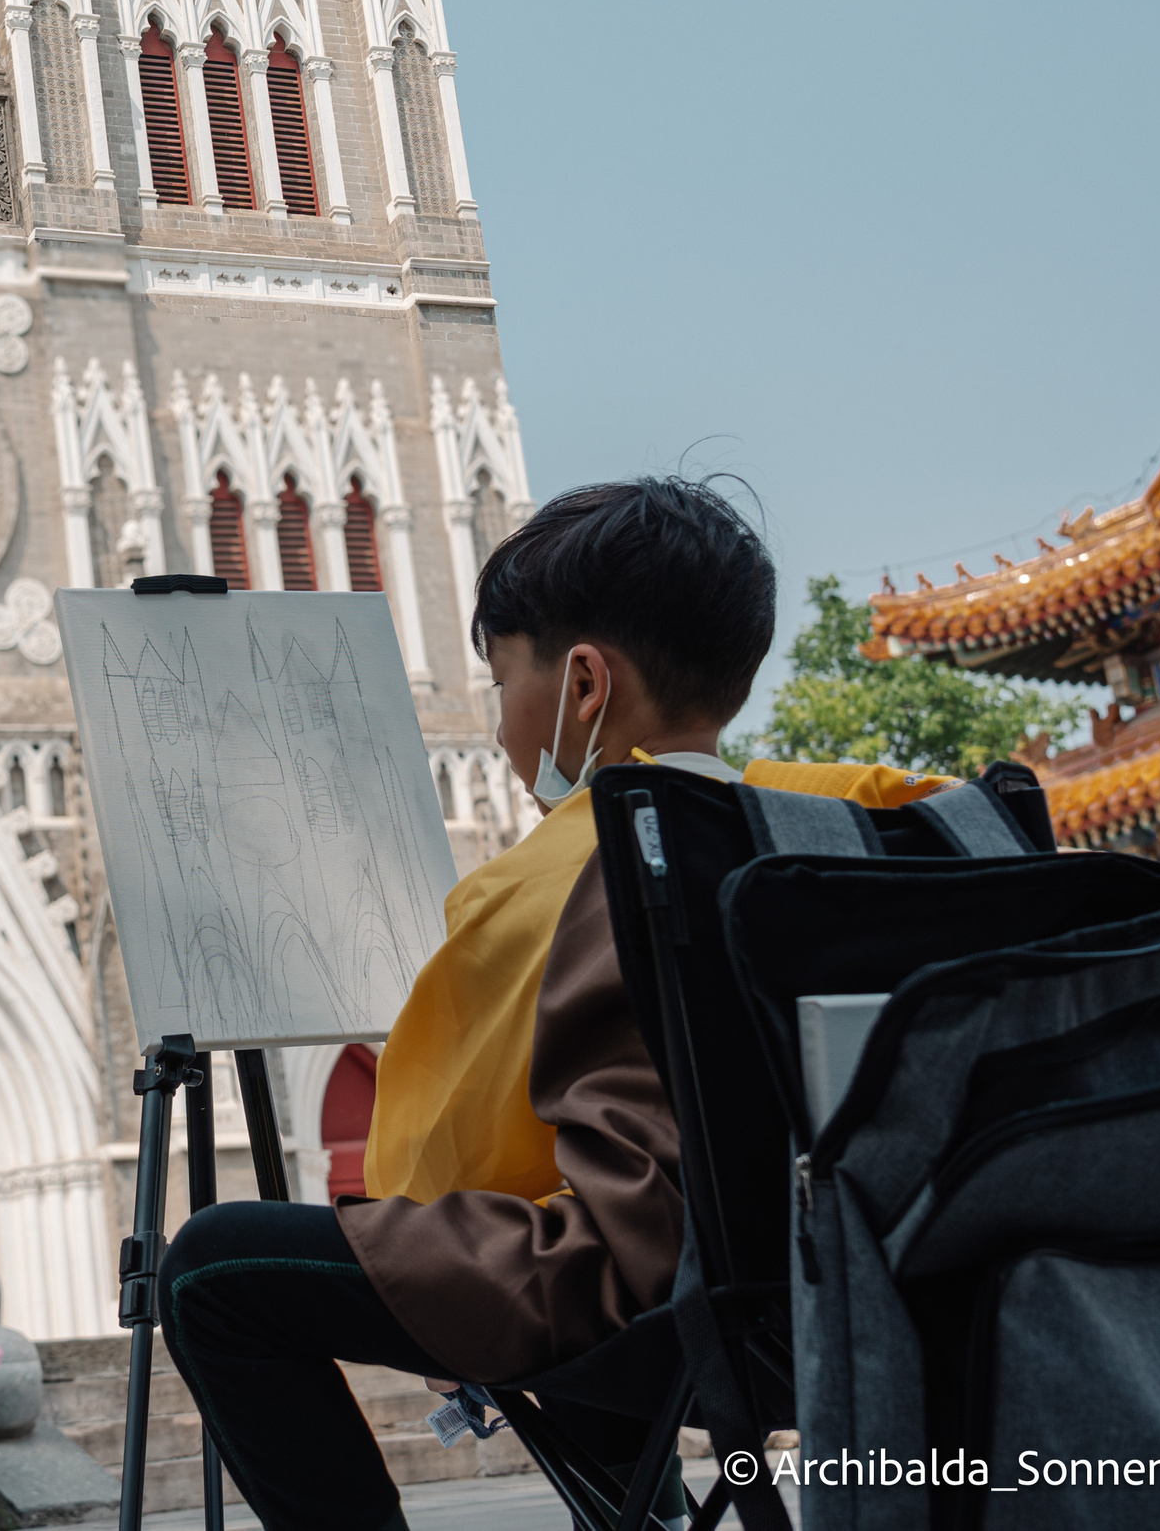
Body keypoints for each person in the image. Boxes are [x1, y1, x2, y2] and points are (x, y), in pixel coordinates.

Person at [157, 477, 958, 1531]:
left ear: (583, 682)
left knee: (213, 1267)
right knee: (587, 1213)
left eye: (501, 683)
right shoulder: (855, 821)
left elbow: (431, 1171)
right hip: (877, 1295)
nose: (497, 729)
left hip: (658, 1310)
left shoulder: (558, 872)